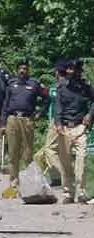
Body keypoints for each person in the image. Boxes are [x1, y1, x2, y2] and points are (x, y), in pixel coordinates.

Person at [0, 59, 50, 188]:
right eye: (21, 68)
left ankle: (28, 181)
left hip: (27, 120)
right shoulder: (11, 83)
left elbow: (47, 98)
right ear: (17, 70)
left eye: (25, 68)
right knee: (13, 152)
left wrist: (40, 112)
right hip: (12, 119)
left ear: (28, 70)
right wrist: (2, 123)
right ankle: (13, 181)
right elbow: (5, 104)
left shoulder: (34, 84)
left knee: (28, 152)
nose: (23, 71)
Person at [55, 59, 94, 204]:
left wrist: (90, 114)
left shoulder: (86, 87)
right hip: (64, 128)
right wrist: (58, 124)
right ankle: (68, 193)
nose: (71, 72)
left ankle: (81, 192)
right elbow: (58, 107)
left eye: (74, 69)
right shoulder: (62, 87)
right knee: (65, 162)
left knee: (81, 159)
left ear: (79, 71)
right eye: (69, 69)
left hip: (80, 127)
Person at [34, 60, 67, 185]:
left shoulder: (57, 88)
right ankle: (56, 179)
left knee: (48, 151)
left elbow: (49, 96)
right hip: (68, 121)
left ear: (57, 73)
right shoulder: (71, 85)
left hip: (57, 122)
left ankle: (65, 176)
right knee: (42, 155)